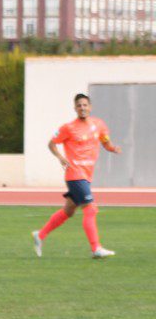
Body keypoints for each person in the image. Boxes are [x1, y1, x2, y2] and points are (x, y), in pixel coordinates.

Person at [34, 93, 121, 259]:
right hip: (74, 173)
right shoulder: (68, 128)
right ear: (75, 108)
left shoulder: (99, 125)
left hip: (86, 175)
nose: (82, 108)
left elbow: (105, 141)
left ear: (90, 107)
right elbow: (51, 144)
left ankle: (40, 235)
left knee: (68, 211)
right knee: (90, 208)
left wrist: (112, 148)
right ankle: (95, 248)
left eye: (85, 105)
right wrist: (60, 157)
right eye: (79, 105)